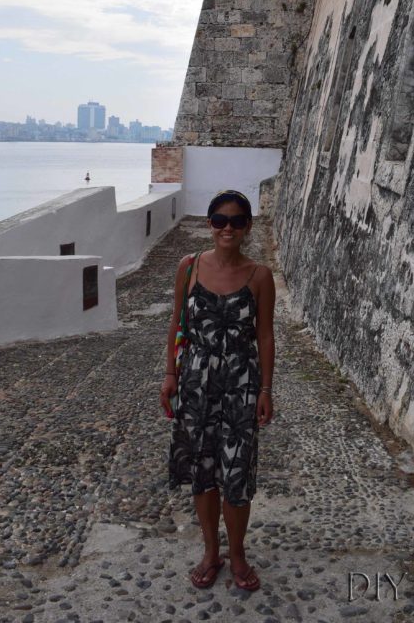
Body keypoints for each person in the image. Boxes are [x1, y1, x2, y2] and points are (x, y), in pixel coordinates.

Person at [160, 189, 275, 592]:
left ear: (248, 226)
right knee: (203, 474)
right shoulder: (188, 267)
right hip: (195, 385)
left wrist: (265, 389)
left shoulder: (260, 276)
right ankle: (211, 552)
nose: (228, 227)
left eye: (237, 220)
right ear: (209, 224)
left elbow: (264, 336)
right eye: (220, 220)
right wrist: (170, 376)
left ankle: (238, 554)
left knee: (237, 475)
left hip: (241, 387)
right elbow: (177, 326)